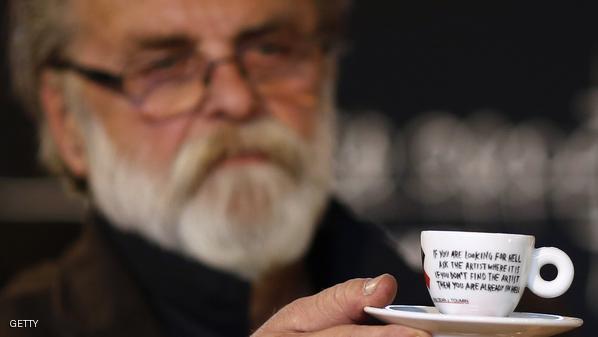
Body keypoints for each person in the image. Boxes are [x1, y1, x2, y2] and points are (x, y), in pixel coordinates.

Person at [0, 0, 432, 336]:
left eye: (271, 49)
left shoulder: (443, 314)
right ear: (68, 122)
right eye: (165, 65)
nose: (236, 99)